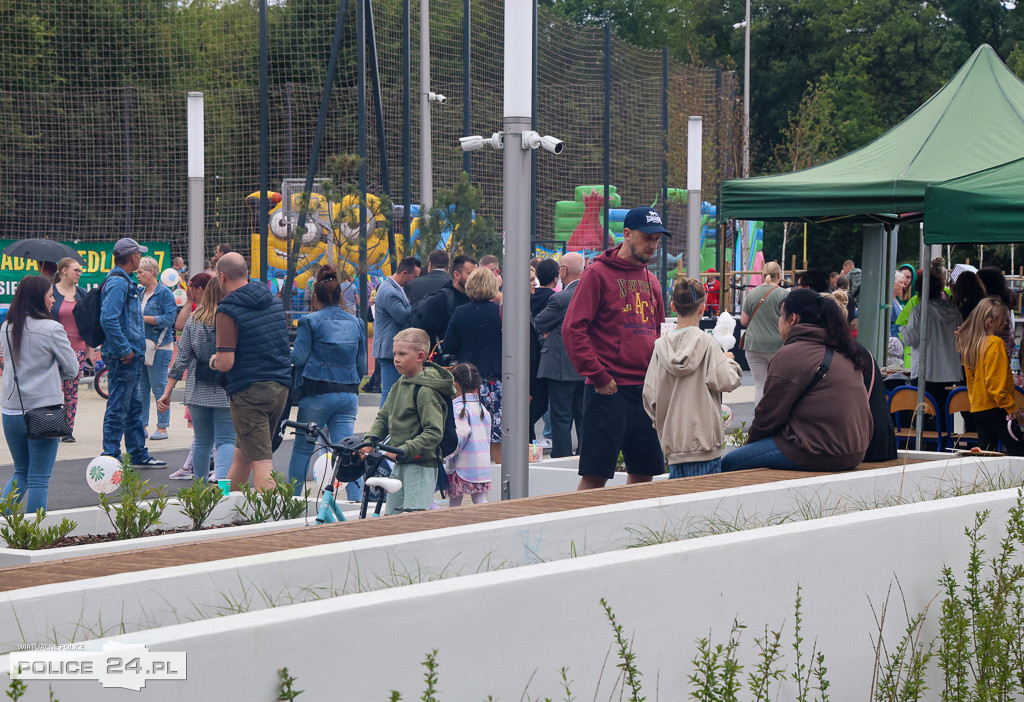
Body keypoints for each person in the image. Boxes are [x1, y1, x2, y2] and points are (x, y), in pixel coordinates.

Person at [563, 205, 667, 490]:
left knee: (645, 473)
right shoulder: (596, 274)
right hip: (608, 391)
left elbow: (658, 333)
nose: (653, 245)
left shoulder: (653, 281)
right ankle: (579, 530)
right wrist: (599, 376)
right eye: (648, 237)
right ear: (627, 234)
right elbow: (573, 329)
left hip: (644, 391)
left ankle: (633, 533)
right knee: (595, 475)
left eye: (657, 239)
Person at [722, 289, 873, 472]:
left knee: (728, 463)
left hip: (816, 451)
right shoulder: (843, 348)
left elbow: (768, 416)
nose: (779, 321)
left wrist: (750, 445)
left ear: (792, 319)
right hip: (855, 452)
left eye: (781, 315)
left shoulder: (792, 354)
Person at [644, 278, 742, 477]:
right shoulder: (707, 343)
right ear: (702, 308)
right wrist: (728, 361)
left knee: (679, 505)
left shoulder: (660, 346)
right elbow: (726, 380)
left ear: (673, 306)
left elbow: (649, 396)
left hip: (674, 445)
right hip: (704, 444)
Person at [211, 253, 292, 491]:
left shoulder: (227, 310)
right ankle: (223, 505)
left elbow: (226, 362)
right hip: (279, 388)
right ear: (246, 273)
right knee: (242, 456)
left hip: (249, 392)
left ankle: (275, 521)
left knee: (262, 463)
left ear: (221, 276)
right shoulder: (274, 302)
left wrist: (213, 361)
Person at [287, 264, 367, 499]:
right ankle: (356, 501)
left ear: (315, 296)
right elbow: (361, 366)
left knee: (303, 450)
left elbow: (298, 358)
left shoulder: (309, 322)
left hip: (317, 393)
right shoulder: (357, 323)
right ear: (340, 295)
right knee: (348, 451)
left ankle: (293, 500)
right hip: (348, 393)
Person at [0, 276, 79, 512]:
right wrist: (54, 376)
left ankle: (3, 521)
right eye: (50, 295)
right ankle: (35, 535)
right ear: (38, 297)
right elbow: (73, 369)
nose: (53, 299)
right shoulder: (52, 328)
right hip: (43, 411)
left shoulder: (6, 327)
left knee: (21, 472)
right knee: (39, 479)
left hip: (11, 410)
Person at [362, 327, 455, 514]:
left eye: (402, 354)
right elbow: (384, 416)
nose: (396, 359)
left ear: (420, 356)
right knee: (392, 517)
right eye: (395, 353)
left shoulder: (426, 391)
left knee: (413, 520)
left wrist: (405, 449)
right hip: (400, 462)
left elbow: (434, 432)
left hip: (420, 466)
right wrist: (370, 441)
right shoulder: (400, 384)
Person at [158, 279, 236, 482]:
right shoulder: (232, 318)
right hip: (225, 388)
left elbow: (181, 357)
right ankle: (223, 488)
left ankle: (200, 493)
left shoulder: (194, 321)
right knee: (226, 440)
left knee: (202, 441)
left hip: (197, 388)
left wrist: (167, 392)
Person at [99, 238, 166, 467]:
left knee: (134, 406)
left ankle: (137, 453)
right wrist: (124, 349)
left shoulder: (122, 280)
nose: (140, 257)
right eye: (139, 254)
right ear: (133, 257)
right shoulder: (118, 282)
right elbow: (108, 318)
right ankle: (111, 456)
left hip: (130, 354)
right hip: (124, 356)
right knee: (119, 406)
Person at [443, 267, 502, 463]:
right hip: (497, 381)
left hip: (468, 382)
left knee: (469, 430)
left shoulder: (460, 313)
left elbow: (449, 346)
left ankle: (473, 472)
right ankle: (497, 476)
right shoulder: (501, 312)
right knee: (496, 434)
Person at [534, 252, 586, 458]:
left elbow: (539, 322)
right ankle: (585, 454)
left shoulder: (560, 298)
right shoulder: (593, 295)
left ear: (563, 271)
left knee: (561, 416)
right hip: (586, 366)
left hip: (560, 366)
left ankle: (563, 457)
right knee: (583, 414)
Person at [958, 298, 1024, 454]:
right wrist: (1010, 406)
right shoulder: (995, 343)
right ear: (990, 322)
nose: (1006, 324)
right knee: (1019, 453)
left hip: (977, 407)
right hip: (996, 407)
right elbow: (995, 384)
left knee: (987, 455)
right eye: (1003, 321)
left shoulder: (972, 344)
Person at [903, 270, 963, 435]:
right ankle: (943, 447)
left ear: (920, 292)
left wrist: (902, 329)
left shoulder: (919, 311)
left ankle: (927, 450)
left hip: (926, 372)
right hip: (951, 373)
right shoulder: (955, 311)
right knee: (945, 417)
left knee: (926, 418)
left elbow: (910, 340)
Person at [136, 256, 178, 441]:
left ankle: (162, 427)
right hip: (142, 345)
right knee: (142, 388)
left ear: (151, 272)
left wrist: (143, 319)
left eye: (140, 272)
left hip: (160, 346)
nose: (137, 275)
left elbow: (170, 319)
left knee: (159, 387)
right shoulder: (139, 293)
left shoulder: (165, 294)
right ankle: (142, 425)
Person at [51, 257, 90, 442]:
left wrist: (90, 348)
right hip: (54, 348)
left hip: (78, 349)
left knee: (71, 389)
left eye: (80, 270)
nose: (79, 273)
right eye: (76, 270)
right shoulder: (51, 293)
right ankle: (52, 426)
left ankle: (67, 429)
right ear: (64, 271)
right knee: (54, 388)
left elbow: (90, 322)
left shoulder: (82, 294)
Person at [374, 256, 421, 405]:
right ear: (405, 273)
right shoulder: (389, 291)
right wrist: (414, 303)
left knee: (393, 392)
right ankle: (383, 427)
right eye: (415, 277)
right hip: (389, 351)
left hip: (391, 348)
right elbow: (402, 315)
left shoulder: (395, 288)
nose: (416, 281)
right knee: (390, 393)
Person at [444, 363, 492, 507]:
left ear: (455, 384)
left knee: (455, 502)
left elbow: (459, 436)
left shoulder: (459, 408)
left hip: (462, 467)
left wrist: (447, 454)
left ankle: (454, 527)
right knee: (480, 501)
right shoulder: (482, 408)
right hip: (482, 466)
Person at [740, 260, 788, 405]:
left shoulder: (753, 293)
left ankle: (759, 420)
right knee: (779, 386)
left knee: (759, 385)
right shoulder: (784, 294)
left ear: (762, 275)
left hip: (754, 344)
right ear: (779, 275)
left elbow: (743, 320)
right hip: (778, 345)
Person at [414, 254, 478, 345]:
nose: (475, 279)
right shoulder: (442, 299)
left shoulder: (475, 298)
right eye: (470, 274)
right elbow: (427, 332)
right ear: (457, 275)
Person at [976, 266, 1017, 360]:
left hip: (994, 355)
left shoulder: (991, 304)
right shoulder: (1002, 301)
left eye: (978, 282)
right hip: (1003, 352)